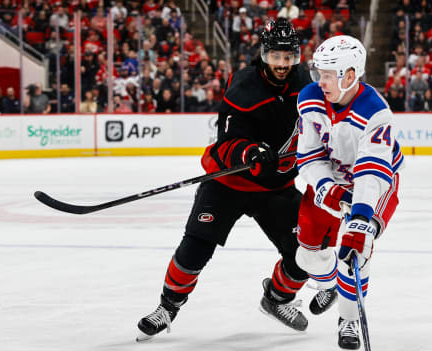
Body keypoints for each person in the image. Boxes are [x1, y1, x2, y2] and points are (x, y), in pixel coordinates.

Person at [136, 19, 312, 341]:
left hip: (276, 186)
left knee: (306, 252)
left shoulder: (307, 83)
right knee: (195, 248)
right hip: (230, 184)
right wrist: (249, 153)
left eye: (288, 57)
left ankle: (277, 298)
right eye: (276, 57)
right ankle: (168, 306)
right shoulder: (244, 88)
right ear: (263, 54)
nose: (283, 65)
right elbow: (226, 143)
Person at [295, 35, 402, 349]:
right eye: (319, 73)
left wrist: (360, 218)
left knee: (356, 249)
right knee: (306, 255)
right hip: (334, 179)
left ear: (351, 75)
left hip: (375, 185)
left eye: (328, 74)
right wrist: (326, 188)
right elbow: (308, 157)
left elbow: (372, 171)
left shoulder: (375, 112)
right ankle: (331, 283)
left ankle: (349, 319)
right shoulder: (309, 98)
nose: (321, 81)